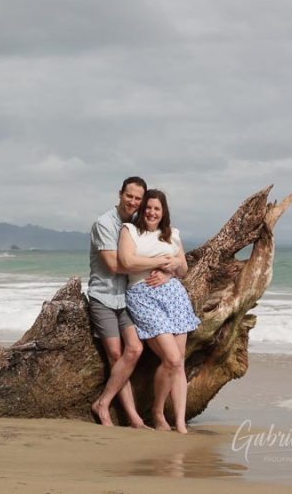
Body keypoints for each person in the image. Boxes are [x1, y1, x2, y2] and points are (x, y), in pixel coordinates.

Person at [92, 189, 200, 433]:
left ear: (164, 212)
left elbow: (183, 269)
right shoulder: (130, 230)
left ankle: (180, 423)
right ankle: (157, 413)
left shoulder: (172, 234)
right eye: (148, 207)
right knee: (172, 358)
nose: (152, 212)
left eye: (157, 209)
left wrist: (173, 267)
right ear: (143, 210)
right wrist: (161, 262)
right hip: (143, 296)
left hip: (174, 297)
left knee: (179, 362)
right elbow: (127, 262)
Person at [88, 177, 171, 428]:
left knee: (134, 349)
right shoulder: (104, 223)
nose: (133, 202)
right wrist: (158, 263)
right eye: (129, 196)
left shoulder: (137, 225)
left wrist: (167, 271)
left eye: (138, 198)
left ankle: (109, 405)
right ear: (120, 194)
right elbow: (116, 265)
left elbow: (161, 251)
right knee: (115, 354)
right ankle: (123, 413)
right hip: (103, 296)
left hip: (125, 298)